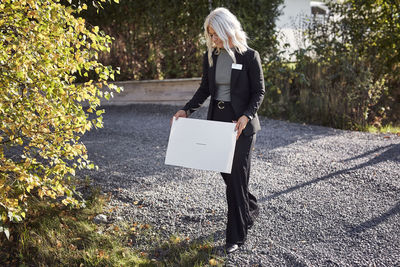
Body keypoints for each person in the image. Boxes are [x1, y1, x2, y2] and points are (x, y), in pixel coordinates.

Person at [172, 7, 265, 254]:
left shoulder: (249, 56)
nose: (213, 39)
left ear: (228, 29)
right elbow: (205, 89)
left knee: (236, 179)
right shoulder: (211, 56)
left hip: (241, 125)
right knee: (230, 175)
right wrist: (186, 110)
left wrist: (246, 115)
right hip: (217, 121)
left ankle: (236, 236)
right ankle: (250, 207)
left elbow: (259, 92)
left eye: (216, 34)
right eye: (210, 35)